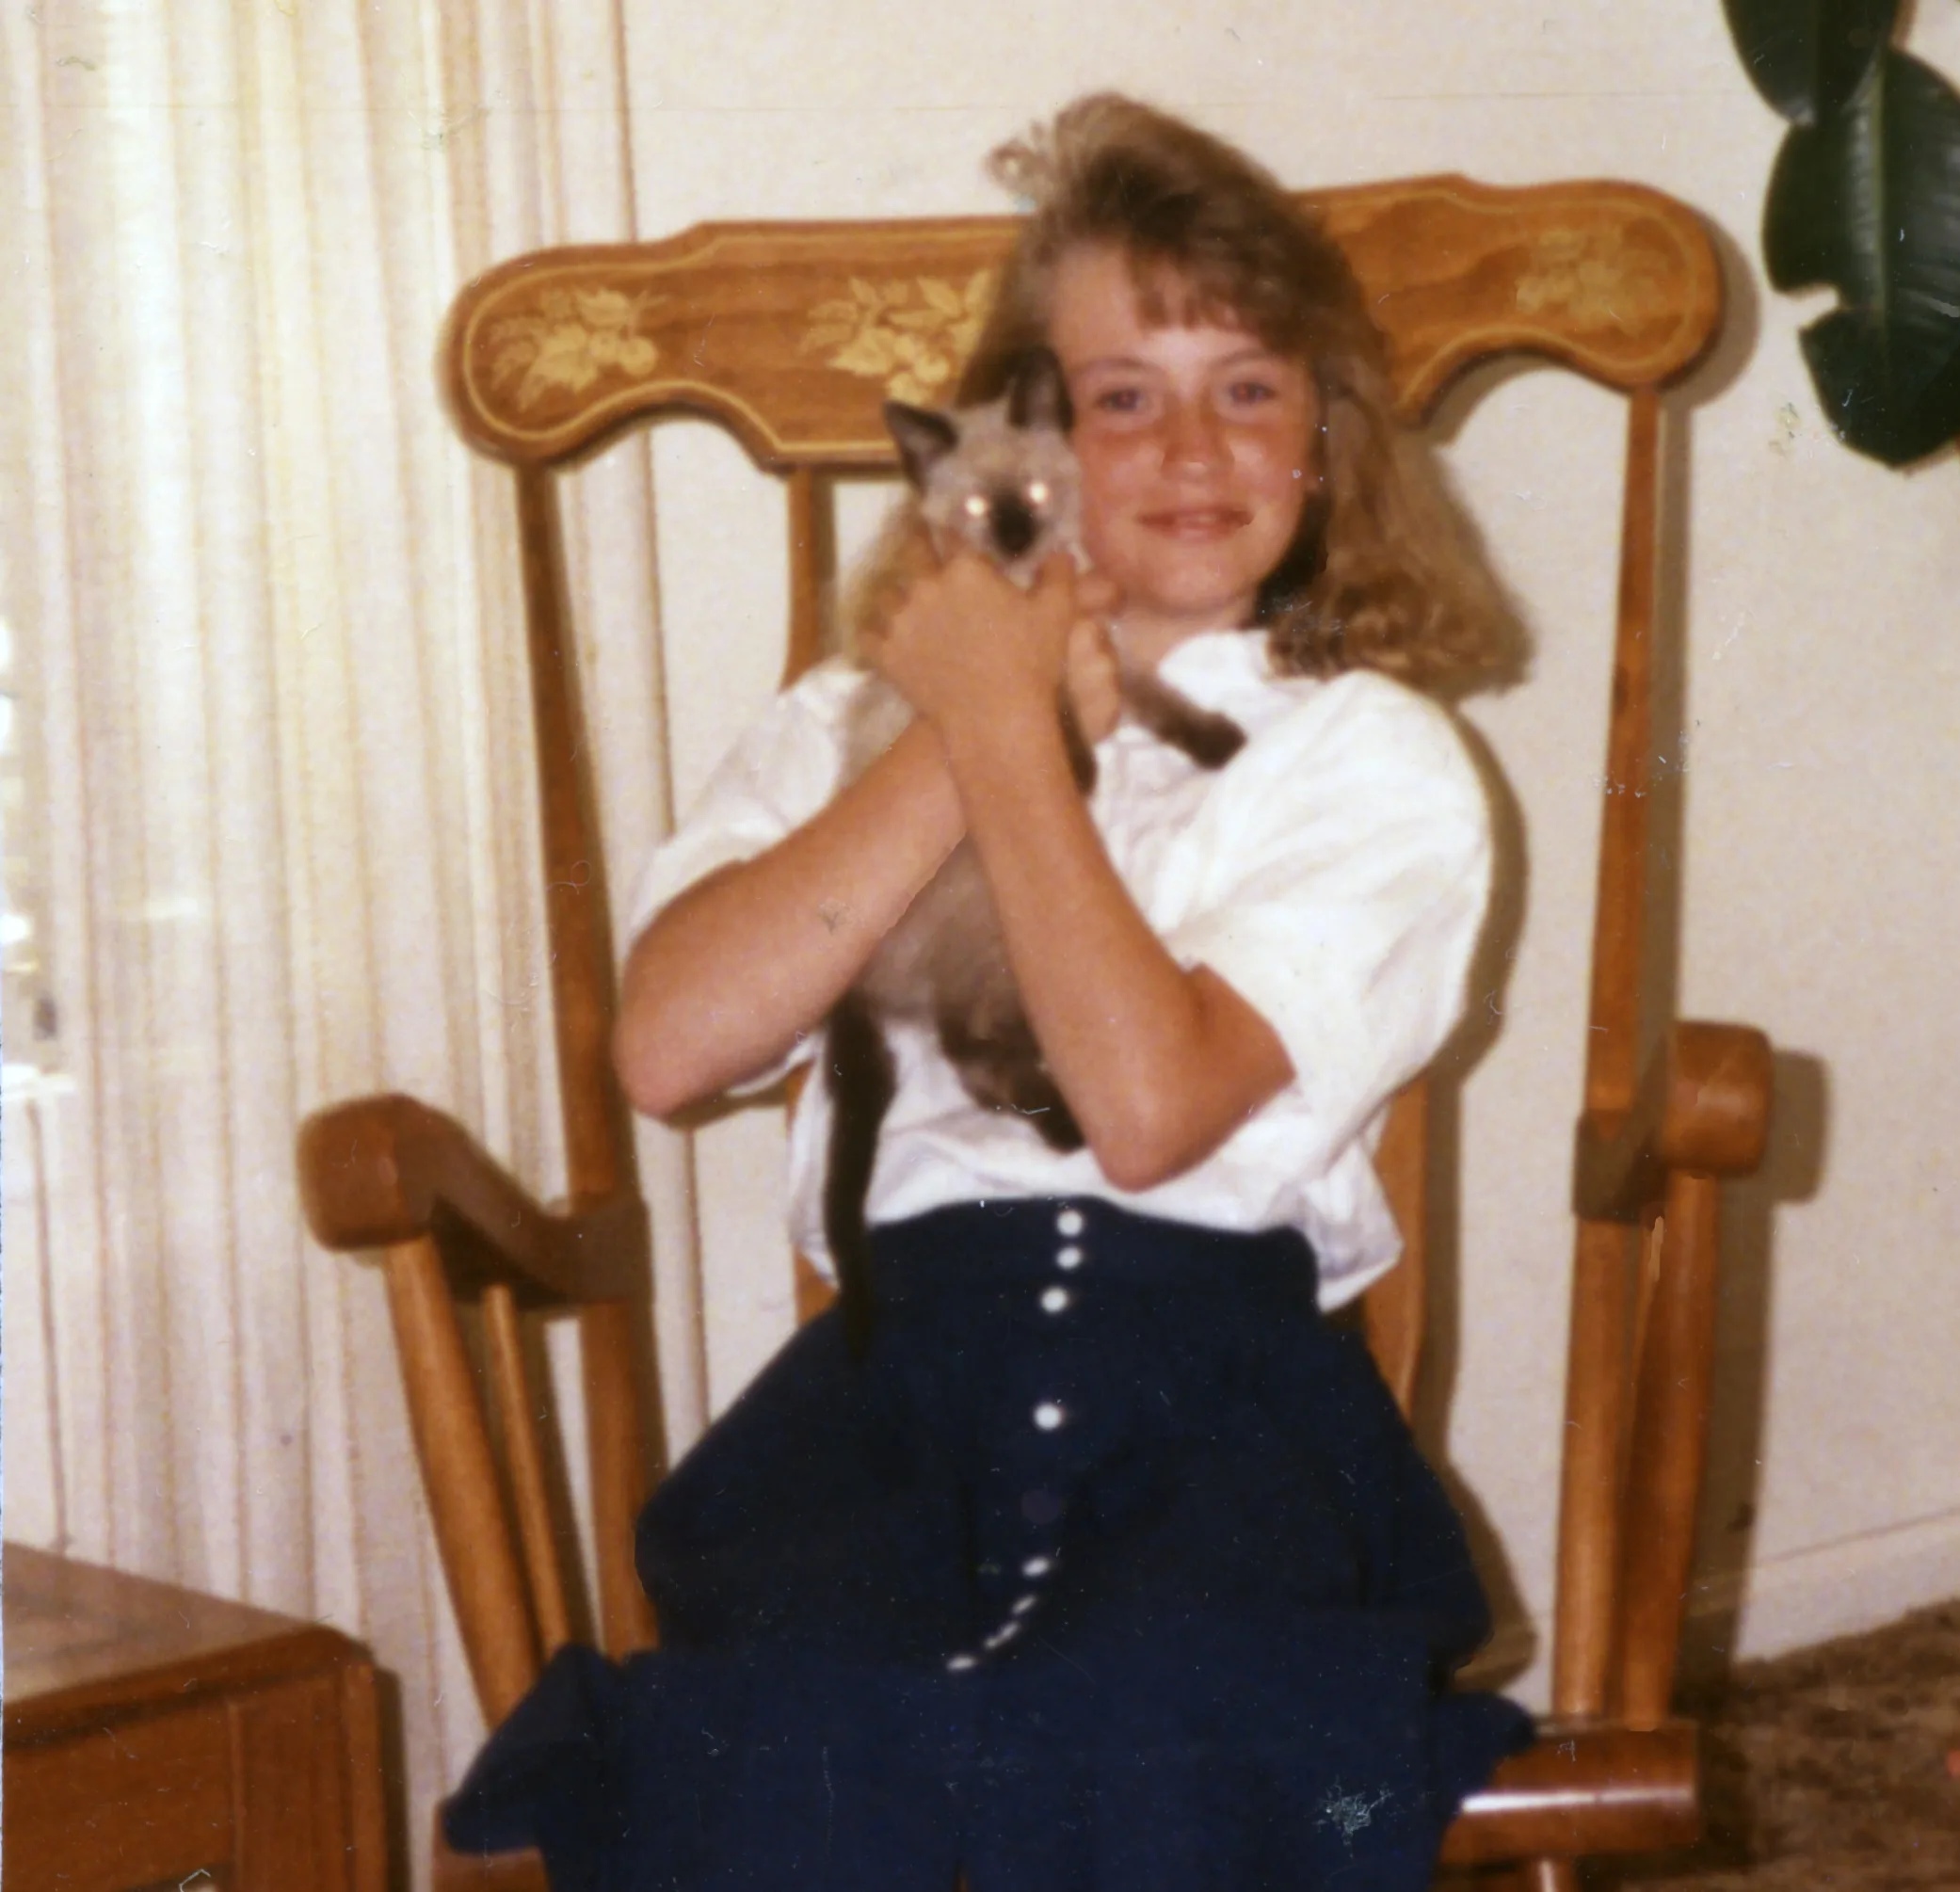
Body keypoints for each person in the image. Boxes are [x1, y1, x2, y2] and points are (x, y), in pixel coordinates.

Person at [444, 93, 1534, 1892]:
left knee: (1186, 1738)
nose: (1192, 442)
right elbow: (665, 1048)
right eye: (1123, 396)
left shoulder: (1374, 761)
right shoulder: (836, 734)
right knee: (786, 1742)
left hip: (1223, 1409)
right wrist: (957, 726)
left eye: (1251, 387)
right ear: (1025, 443)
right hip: (881, 1410)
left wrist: (1011, 743)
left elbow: (1148, 1107)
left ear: (1329, 446)